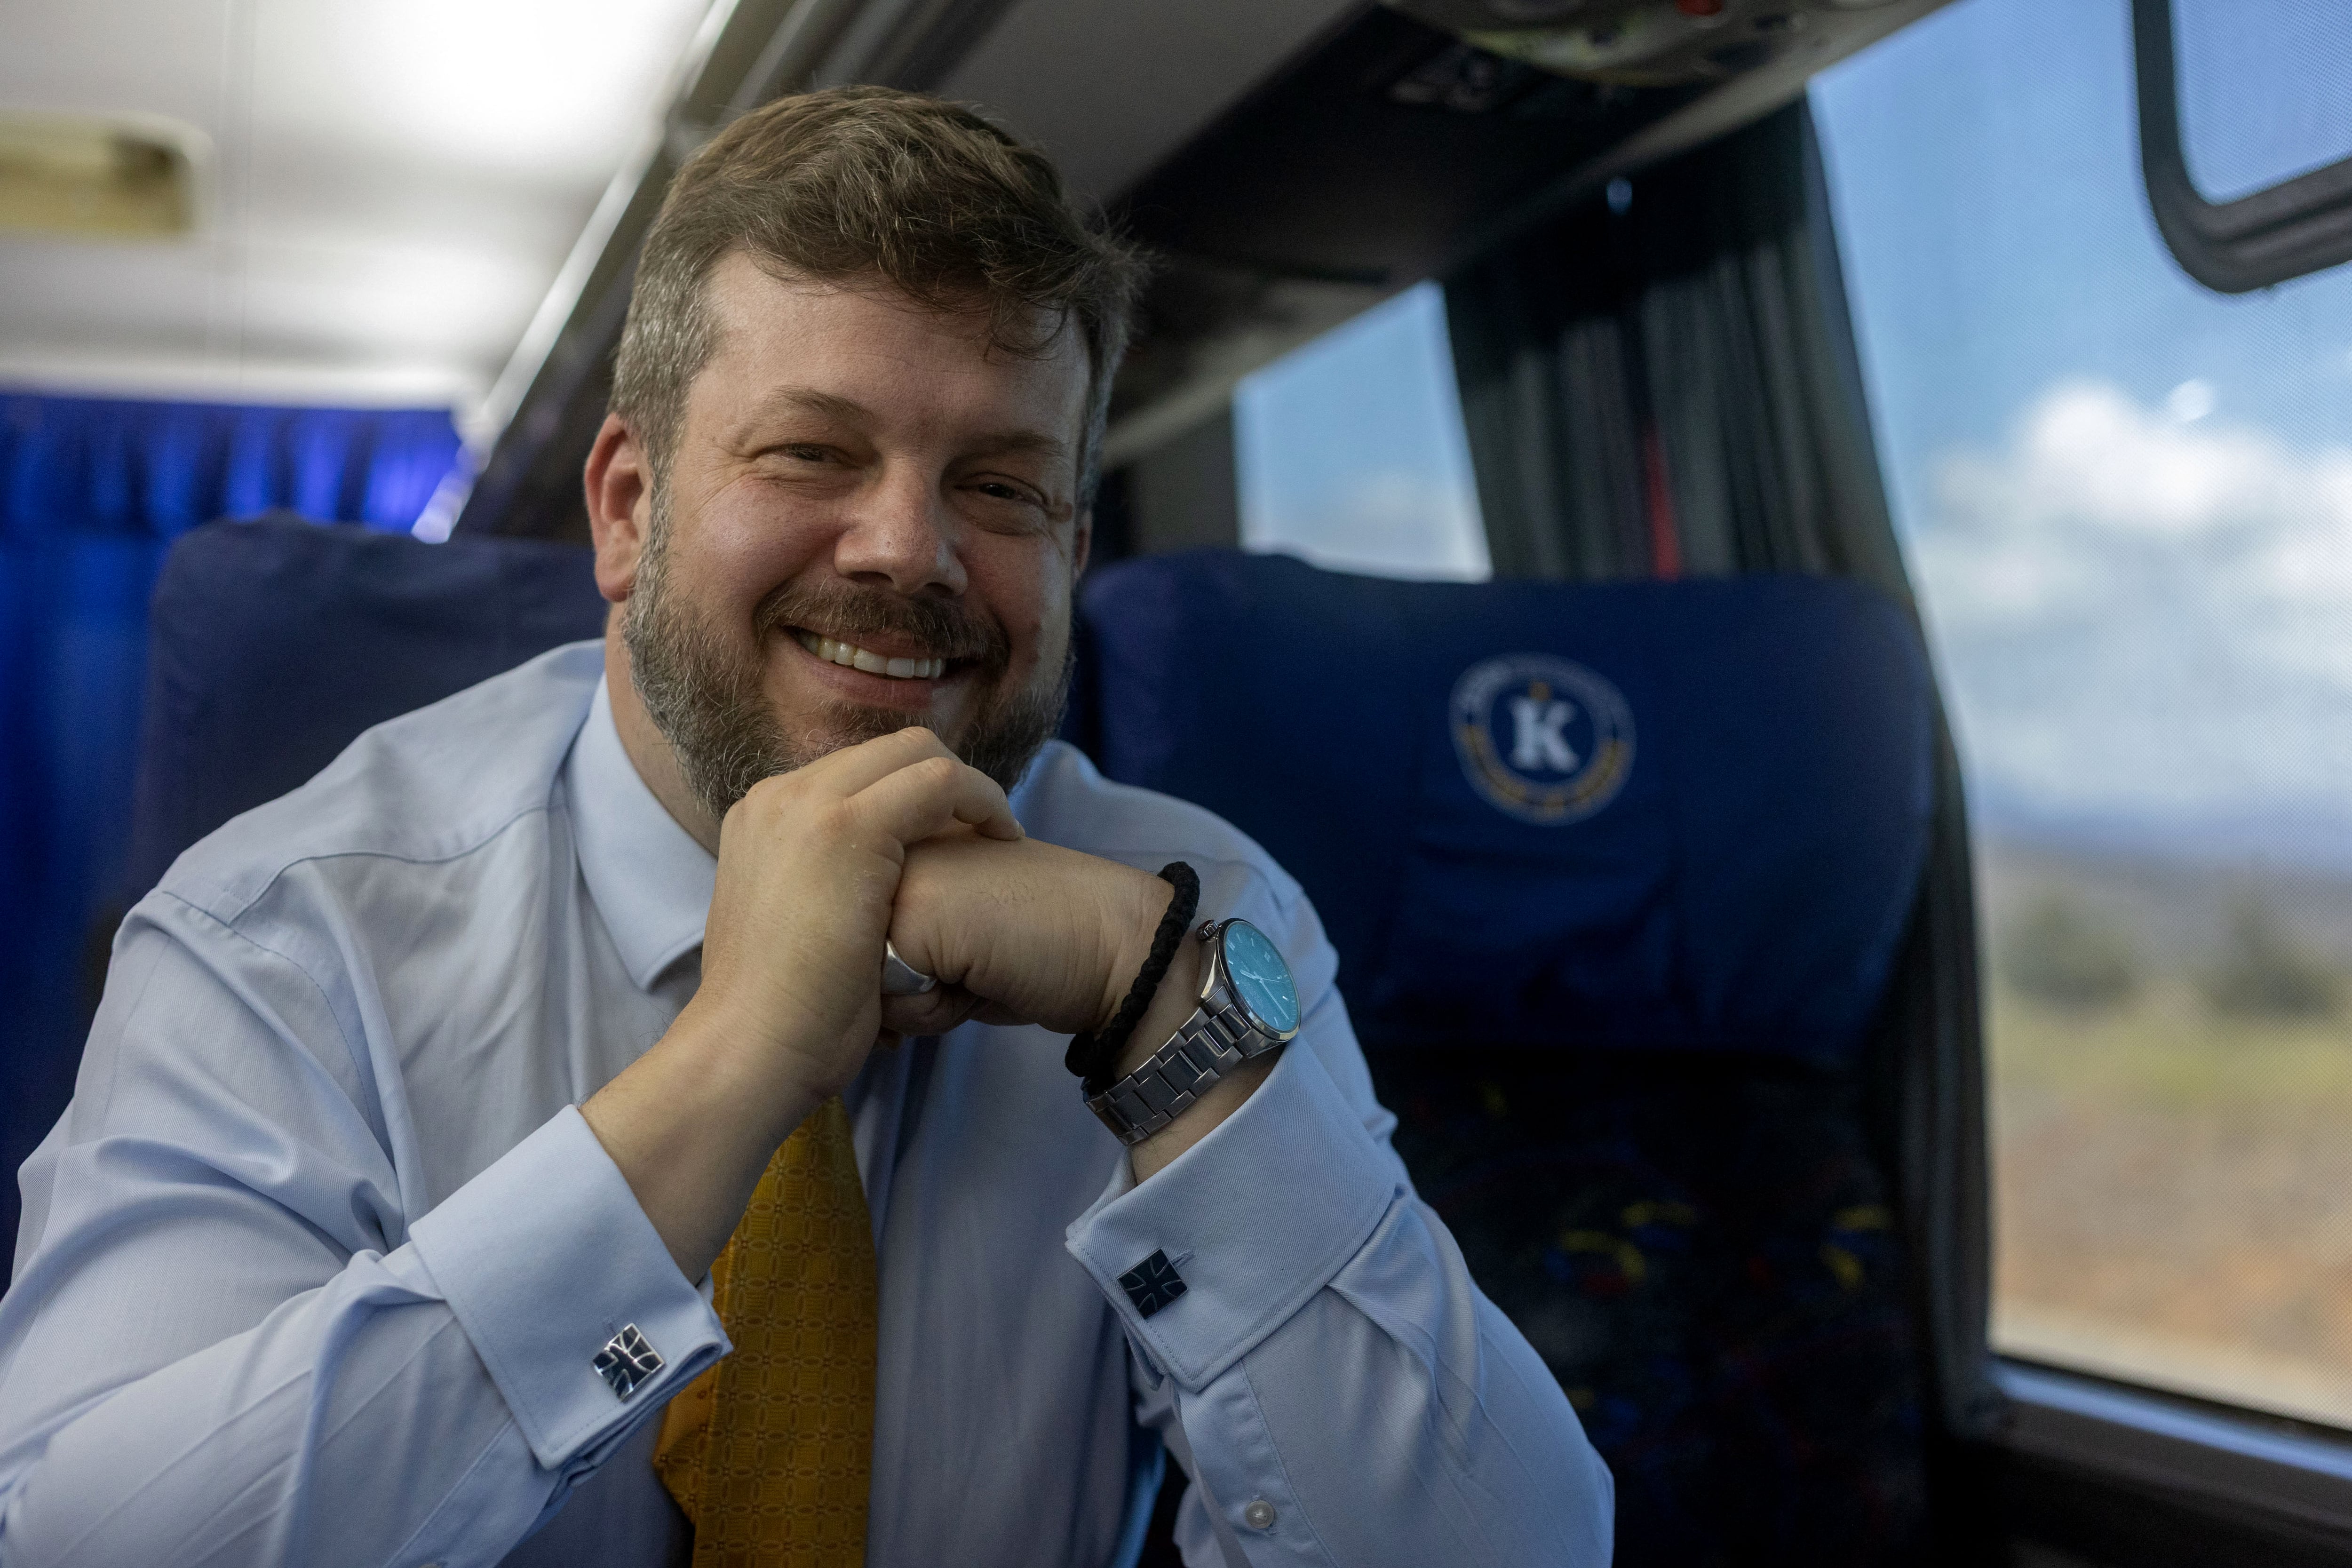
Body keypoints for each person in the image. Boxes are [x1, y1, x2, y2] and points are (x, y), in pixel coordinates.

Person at [0, 87, 1611, 1567]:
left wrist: (1161, 1015)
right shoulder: (289, 934)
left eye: (1000, 488)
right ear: (629, 508)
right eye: (811, 453)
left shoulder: (1203, 922)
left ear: (1071, 552)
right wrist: (728, 1070)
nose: (907, 548)